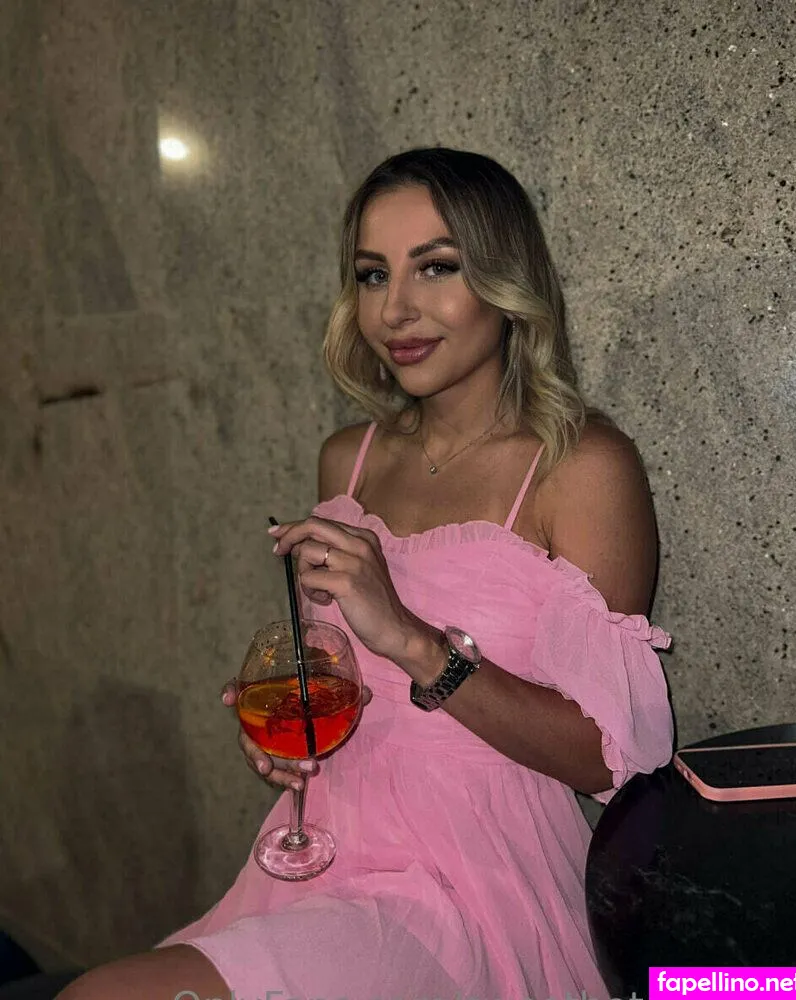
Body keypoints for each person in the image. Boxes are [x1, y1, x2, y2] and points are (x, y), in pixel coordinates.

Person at [59, 148, 674, 1000]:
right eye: (373, 274)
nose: (395, 309)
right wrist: (292, 728)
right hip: (323, 850)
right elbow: (338, 675)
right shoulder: (347, 459)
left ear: (505, 280)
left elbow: (612, 764)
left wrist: (414, 642)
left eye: (436, 267)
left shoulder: (581, 467)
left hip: (466, 882)